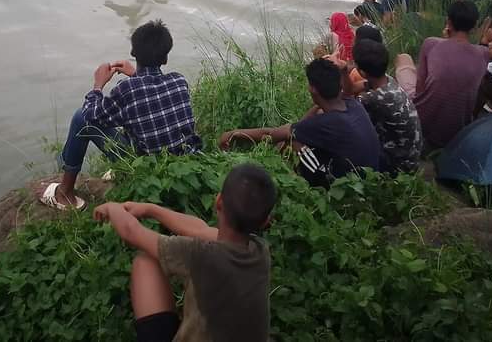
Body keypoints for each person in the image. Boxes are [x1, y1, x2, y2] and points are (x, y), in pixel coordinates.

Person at [92, 162, 276, 342]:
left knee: (145, 262)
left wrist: (112, 207)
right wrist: (150, 209)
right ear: (265, 221)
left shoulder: (200, 255)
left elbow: (131, 232)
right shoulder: (260, 251)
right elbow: (200, 230)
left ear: (218, 201)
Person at [44, 20, 201, 210]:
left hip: (146, 171)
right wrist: (135, 75)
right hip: (181, 166)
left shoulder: (127, 90)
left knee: (81, 118)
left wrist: (98, 85)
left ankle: (65, 193)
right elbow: (149, 97)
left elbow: (91, 114)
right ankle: (115, 174)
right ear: (165, 59)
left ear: (133, 53)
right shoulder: (179, 81)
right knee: (138, 120)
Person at [219, 58, 381, 185]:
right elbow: (313, 115)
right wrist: (315, 108)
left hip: (346, 187)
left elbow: (271, 134)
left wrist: (233, 134)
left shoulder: (326, 123)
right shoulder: (352, 104)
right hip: (369, 177)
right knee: (298, 130)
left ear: (313, 89)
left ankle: (301, 181)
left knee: (294, 141)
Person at [408, 0, 489, 149]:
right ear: (474, 27)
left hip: (424, 124)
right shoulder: (483, 53)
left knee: (404, 60)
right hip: (458, 130)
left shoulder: (431, 44)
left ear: (449, 22)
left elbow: (420, 88)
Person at [353, 38, 423, 174]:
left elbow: (343, 103)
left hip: (399, 167)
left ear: (362, 73)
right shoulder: (388, 80)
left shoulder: (373, 98)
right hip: (412, 158)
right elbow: (353, 88)